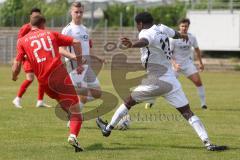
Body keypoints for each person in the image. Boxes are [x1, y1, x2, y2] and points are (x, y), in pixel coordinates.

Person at [96, 12, 227, 151]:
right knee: (187, 112)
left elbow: (145, 41)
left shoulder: (145, 33)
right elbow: (175, 34)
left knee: (128, 102)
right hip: (171, 81)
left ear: (140, 24)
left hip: (155, 80)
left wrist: (132, 44)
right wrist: (182, 35)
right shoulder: (162, 27)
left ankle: (108, 128)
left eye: (136, 25)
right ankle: (207, 142)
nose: (137, 27)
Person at [12, 15, 84, 152]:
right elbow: (76, 42)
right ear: (43, 24)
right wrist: (79, 63)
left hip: (44, 83)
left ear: (30, 25)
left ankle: (71, 121)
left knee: (66, 106)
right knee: (77, 112)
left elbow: (16, 65)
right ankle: (73, 135)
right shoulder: (50, 34)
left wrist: (14, 76)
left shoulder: (21, 41)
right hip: (59, 76)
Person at [60, 2, 102, 106]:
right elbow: (61, 50)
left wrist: (97, 57)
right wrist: (75, 58)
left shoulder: (85, 29)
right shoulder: (67, 30)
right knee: (83, 96)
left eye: (81, 12)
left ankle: (73, 100)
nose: (79, 14)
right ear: (71, 13)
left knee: (98, 93)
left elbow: (87, 46)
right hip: (74, 65)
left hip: (86, 66)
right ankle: (74, 120)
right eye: (76, 12)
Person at [12, 8, 51, 108]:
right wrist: (24, 55)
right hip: (28, 58)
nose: (36, 17)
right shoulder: (26, 27)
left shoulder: (41, 28)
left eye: (38, 16)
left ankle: (40, 101)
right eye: (35, 16)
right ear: (30, 17)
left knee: (42, 79)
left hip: (38, 58)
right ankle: (17, 99)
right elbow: (19, 43)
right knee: (30, 78)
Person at [171, 18, 207, 109]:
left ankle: (203, 104)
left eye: (186, 26)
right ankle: (152, 101)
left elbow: (197, 50)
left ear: (188, 27)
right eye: (182, 26)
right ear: (179, 26)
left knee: (198, 82)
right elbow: (168, 53)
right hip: (175, 65)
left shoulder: (192, 37)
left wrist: (200, 63)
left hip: (187, 64)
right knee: (166, 83)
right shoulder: (173, 38)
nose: (184, 28)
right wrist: (175, 64)